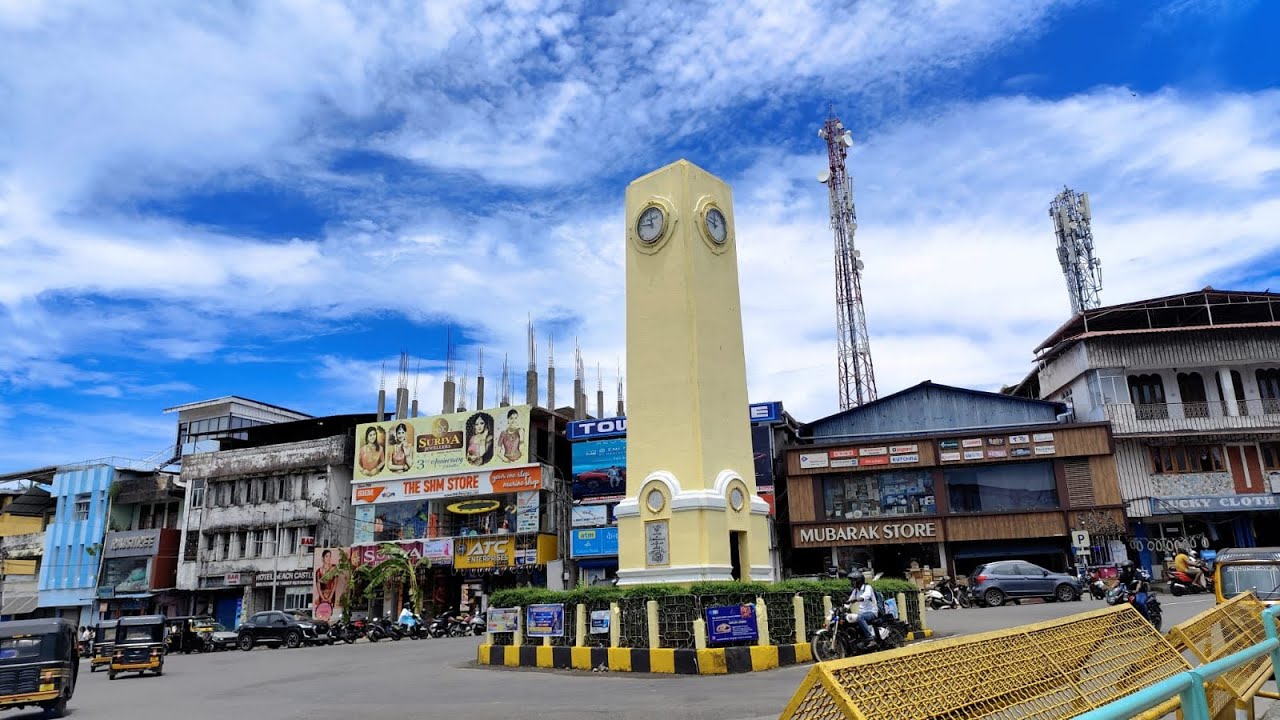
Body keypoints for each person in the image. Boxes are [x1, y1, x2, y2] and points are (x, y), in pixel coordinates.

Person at [845, 572, 878, 646]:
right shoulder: (855, 591)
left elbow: (865, 596)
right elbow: (849, 603)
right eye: (852, 581)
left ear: (859, 581)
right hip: (862, 613)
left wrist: (856, 600)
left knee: (860, 617)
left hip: (872, 612)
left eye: (854, 580)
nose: (852, 582)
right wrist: (842, 609)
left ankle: (871, 639)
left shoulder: (867, 587)